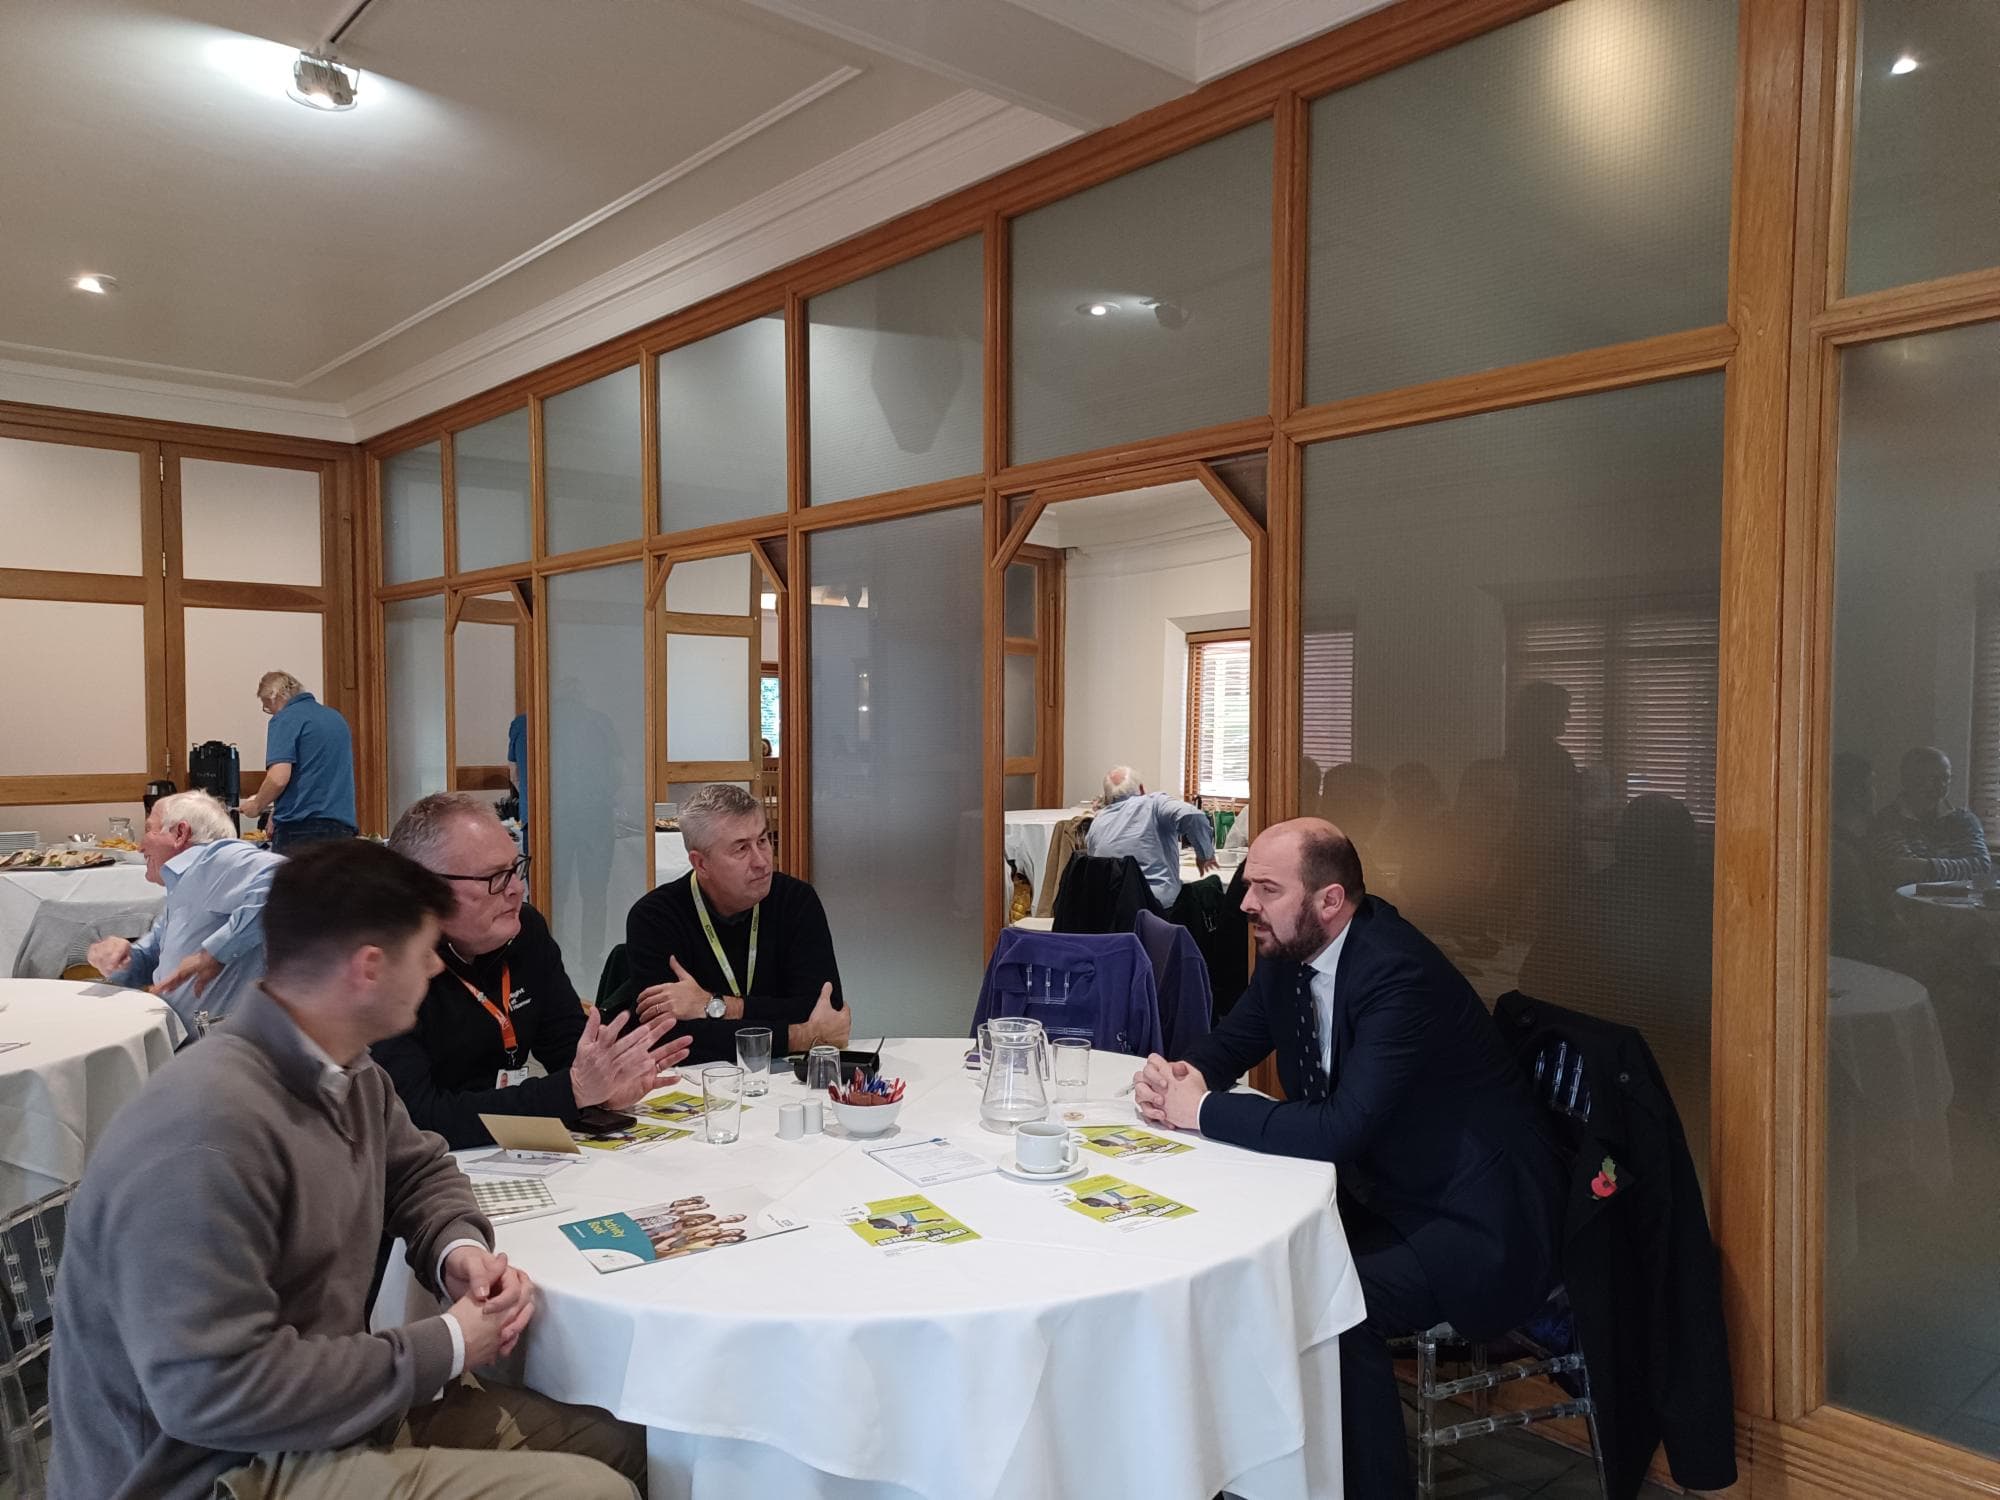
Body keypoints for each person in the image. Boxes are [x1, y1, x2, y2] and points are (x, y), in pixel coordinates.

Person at [47, 838, 646, 1500]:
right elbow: (213, 1394)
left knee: (624, 1442)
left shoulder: (344, 1069)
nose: (435, 973)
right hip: (212, 1471)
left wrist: (456, 1248)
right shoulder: (204, 1131)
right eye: (424, 957)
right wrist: (444, 1345)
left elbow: (418, 1171)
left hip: (316, 1421)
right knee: (594, 1493)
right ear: (368, 968)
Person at [1132, 818, 1564, 1497]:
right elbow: (1227, 1048)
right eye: (1249, 886)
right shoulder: (1287, 954)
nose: (1246, 904)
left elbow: (1340, 1130)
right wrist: (1176, 1078)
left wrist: (1204, 1110)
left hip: (1472, 1219)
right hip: (1384, 1196)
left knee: (1330, 1298)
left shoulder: (1398, 973)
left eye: (1267, 890)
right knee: (1254, 1264)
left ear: (1329, 901)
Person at [374, 793, 691, 1149]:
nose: (517, 889)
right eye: (495, 877)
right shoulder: (388, 966)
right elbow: (418, 1118)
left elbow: (567, 1044)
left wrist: (608, 1081)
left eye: (516, 869)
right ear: (423, 889)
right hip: (426, 1168)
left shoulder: (525, 930)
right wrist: (571, 1092)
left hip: (505, 1150)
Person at [624, 782, 848, 1064]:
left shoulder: (795, 900)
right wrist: (798, 1036)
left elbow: (827, 1011)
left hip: (788, 1081)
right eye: (741, 848)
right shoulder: (655, 917)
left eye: (763, 841)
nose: (762, 862)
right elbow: (669, 1040)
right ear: (701, 864)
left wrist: (713, 1006)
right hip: (698, 1085)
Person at [87, 789, 282, 1037]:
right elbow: (152, 960)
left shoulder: (217, 858)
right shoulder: (182, 884)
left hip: (219, 1052)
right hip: (177, 1044)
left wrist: (214, 953)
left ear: (180, 833)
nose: (140, 847)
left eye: (149, 830)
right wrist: (118, 958)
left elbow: (284, 878)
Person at [240, 669, 357, 852]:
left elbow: (279, 777)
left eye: (267, 707)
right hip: (342, 829)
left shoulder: (286, 718)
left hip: (301, 832)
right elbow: (316, 775)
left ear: (273, 697)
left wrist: (257, 805)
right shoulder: (336, 718)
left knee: (297, 881)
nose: (269, 712)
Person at [1085, 765, 1216, 908]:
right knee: (1210, 888)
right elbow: (1191, 815)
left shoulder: (1097, 822)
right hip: (1158, 910)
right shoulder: (1153, 804)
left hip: (1111, 913)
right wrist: (1204, 854)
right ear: (1141, 789)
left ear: (1107, 797)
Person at [1873, 744, 1992, 884]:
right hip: (1910, 903)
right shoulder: (1887, 820)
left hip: (1960, 902)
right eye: (1932, 778)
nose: (1941, 785)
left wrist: (1929, 867)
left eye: (1945, 778)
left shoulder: (1964, 819)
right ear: (1907, 780)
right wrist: (1957, 867)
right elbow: (1904, 872)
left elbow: (1982, 868)